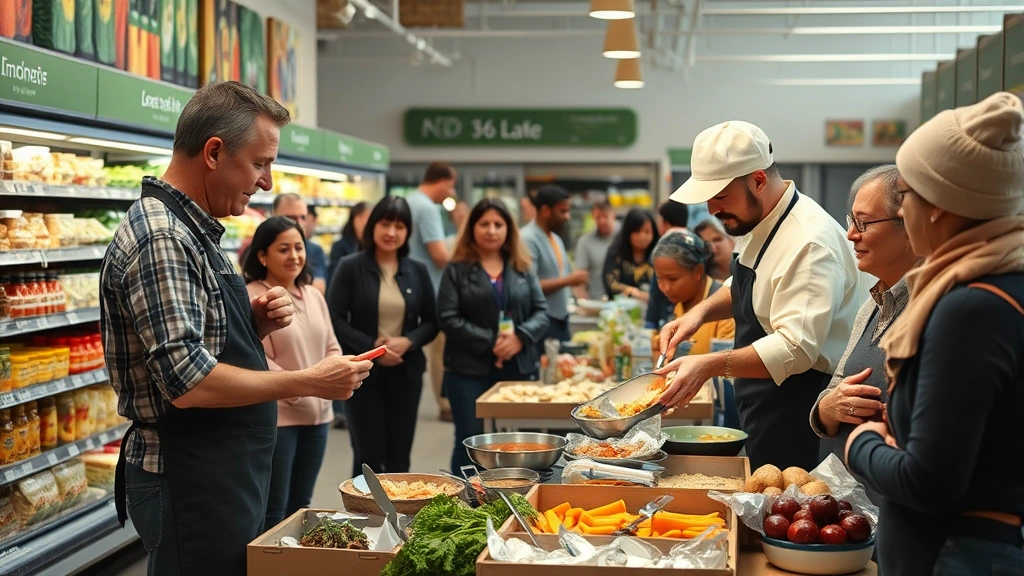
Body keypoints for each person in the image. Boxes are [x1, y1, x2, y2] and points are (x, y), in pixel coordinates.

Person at [100, 81, 372, 576]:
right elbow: (187, 382)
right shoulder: (164, 237)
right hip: (186, 476)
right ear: (213, 152)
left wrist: (250, 324)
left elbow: (192, 339)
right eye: (260, 163)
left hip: (216, 471)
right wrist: (309, 380)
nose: (266, 182)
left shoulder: (194, 227)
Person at [846, 93, 1024, 575]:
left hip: (954, 554)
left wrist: (863, 442)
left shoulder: (970, 308)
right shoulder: (1000, 283)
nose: (903, 213)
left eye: (906, 196)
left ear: (941, 207)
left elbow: (929, 481)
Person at [658, 120, 865, 471]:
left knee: (788, 509)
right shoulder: (757, 216)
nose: (711, 209)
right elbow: (748, 285)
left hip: (803, 404)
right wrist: (698, 314)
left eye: (720, 196)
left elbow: (795, 349)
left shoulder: (809, 242)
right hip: (766, 397)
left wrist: (708, 365)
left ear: (757, 180)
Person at [806, 165, 917, 506]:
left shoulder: (933, 310)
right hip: (846, 506)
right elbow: (829, 398)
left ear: (909, 227)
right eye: (850, 220)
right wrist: (830, 406)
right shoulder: (872, 306)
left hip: (895, 508)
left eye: (863, 223)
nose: (851, 234)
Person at [243, 217, 343, 528]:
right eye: (283, 249)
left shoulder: (312, 295)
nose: (294, 256)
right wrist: (306, 384)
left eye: (298, 247)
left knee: (301, 507)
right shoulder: (253, 296)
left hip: (318, 416)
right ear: (262, 256)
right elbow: (255, 357)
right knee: (274, 509)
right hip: (279, 418)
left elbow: (332, 346)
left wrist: (333, 375)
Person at [328, 197, 439, 478]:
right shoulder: (350, 266)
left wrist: (409, 341)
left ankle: (398, 519)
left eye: (399, 226)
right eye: (385, 224)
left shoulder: (417, 270)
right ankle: (363, 517)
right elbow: (336, 318)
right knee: (367, 456)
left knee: (400, 457)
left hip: (406, 372)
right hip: (363, 373)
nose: (391, 232)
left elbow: (432, 321)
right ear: (373, 227)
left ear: (407, 232)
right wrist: (372, 346)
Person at [438, 199, 550, 471]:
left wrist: (519, 337)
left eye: (498, 225)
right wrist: (491, 343)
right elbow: (447, 317)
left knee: (522, 444)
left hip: (519, 366)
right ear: (472, 228)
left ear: (508, 229)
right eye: (484, 224)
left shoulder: (522, 266)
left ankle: (520, 500)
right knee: (469, 443)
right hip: (467, 370)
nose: (491, 230)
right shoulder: (456, 269)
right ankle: (465, 503)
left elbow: (542, 312)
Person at [405, 162, 457, 422]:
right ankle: (445, 403)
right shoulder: (428, 207)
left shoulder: (410, 200)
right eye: (450, 185)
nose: (451, 192)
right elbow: (439, 256)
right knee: (439, 348)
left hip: (410, 284)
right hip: (433, 288)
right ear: (441, 181)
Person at [520, 185, 588, 351]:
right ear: (546, 210)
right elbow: (529, 286)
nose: (567, 217)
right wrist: (568, 280)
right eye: (562, 211)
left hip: (560, 319)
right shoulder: (527, 239)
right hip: (541, 322)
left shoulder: (555, 239)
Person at [651, 230, 735, 357]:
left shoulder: (726, 307)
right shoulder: (680, 305)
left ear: (698, 271)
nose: (665, 288)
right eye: (659, 278)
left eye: (672, 279)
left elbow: (726, 365)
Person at [646, 202, 692, 329]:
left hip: (669, 316)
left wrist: (650, 323)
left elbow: (656, 293)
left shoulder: (664, 246)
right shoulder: (695, 241)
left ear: (664, 222)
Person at [272, 193, 327, 294]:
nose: (299, 223)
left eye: (303, 217)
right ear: (273, 216)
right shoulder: (257, 247)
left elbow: (318, 290)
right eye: (290, 218)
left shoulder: (315, 250)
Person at [602, 208, 658, 302]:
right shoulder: (616, 254)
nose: (642, 236)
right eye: (637, 232)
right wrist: (632, 292)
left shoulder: (658, 254)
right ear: (628, 232)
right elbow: (610, 283)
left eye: (647, 232)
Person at [574, 201, 617, 300]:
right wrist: (583, 301)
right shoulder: (585, 242)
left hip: (623, 301)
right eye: (598, 218)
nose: (602, 221)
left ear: (613, 215)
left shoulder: (624, 237)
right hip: (596, 301)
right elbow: (579, 277)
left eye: (605, 216)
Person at [327, 201, 371, 287]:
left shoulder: (371, 247)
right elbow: (334, 279)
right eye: (364, 217)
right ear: (355, 219)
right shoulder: (340, 246)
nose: (367, 222)